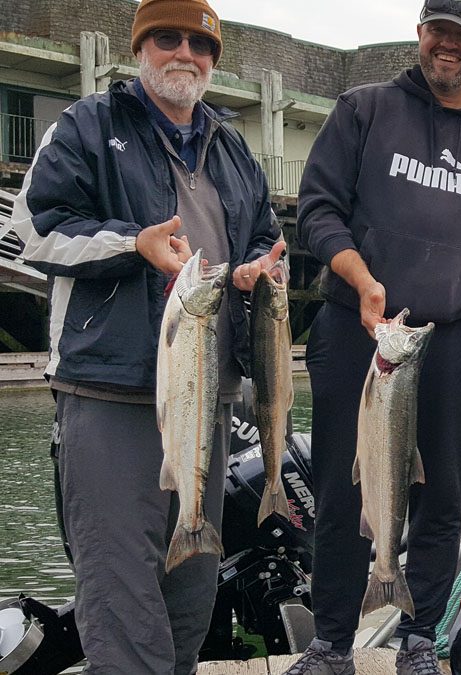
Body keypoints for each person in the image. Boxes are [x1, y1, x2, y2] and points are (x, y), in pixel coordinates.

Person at [287, 1, 461, 673]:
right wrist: (358, 276)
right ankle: (331, 642)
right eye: (438, 31)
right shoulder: (363, 109)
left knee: (441, 490)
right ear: (421, 35)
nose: (448, 46)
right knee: (343, 487)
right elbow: (318, 211)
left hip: (456, 338)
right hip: (363, 332)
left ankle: (418, 638)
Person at [10, 0, 283, 671]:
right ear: (140, 47)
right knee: (121, 605)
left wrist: (255, 269)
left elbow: (264, 238)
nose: (185, 53)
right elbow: (31, 230)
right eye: (168, 37)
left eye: (201, 43)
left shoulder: (232, 147)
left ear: (214, 59)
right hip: (108, 398)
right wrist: (133, 242)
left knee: (188, 603)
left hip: (209, 404)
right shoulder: (88, 125)